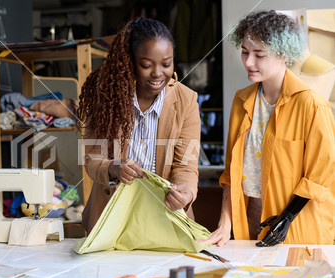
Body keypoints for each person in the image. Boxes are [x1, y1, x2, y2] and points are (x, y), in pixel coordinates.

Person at [200, 10, 335, 247]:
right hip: (250, 214)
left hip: (297, 222)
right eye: (244, 52)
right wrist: (224, 223)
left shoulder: (312, 105)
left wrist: (286, 219)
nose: (249, 62)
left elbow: (320, 176)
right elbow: (231, 171)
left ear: (283, 54)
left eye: (259, 55)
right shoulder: (241, 101)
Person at [77, 17, 201, 234]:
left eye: (166, 63)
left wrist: (187, 193)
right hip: (111, 219)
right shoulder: (106, 97)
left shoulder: (186, 101)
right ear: (130, 61)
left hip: (165, 218)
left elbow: (185, 165)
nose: (157, 73)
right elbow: (92, 159)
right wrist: (114, 168)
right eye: (146, 65)